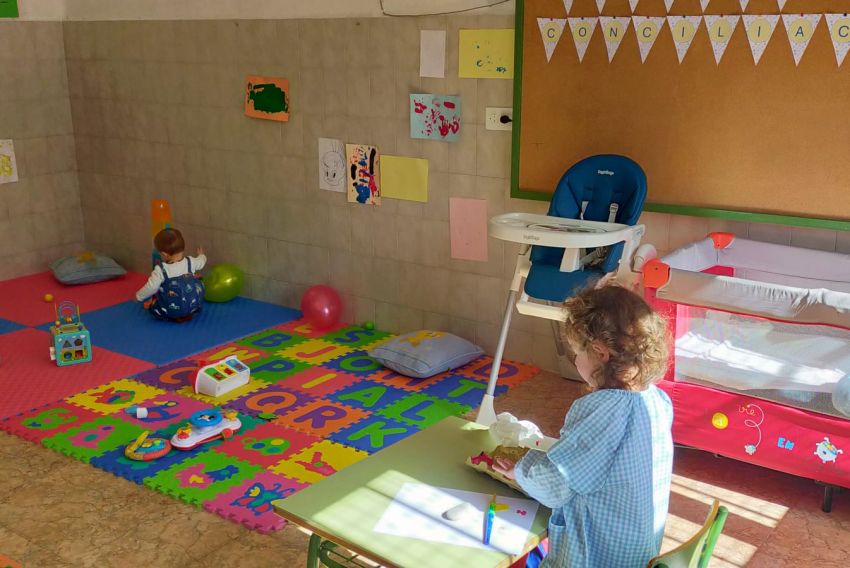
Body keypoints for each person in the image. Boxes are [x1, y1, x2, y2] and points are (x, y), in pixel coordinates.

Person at [496, 284, 673, 568]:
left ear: (600, 353)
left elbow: (555, 486)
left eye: (577, 352)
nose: (576, 360)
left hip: (599, 557)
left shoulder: (602, 410)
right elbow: (595, 459)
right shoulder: (657, 399)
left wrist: (520, 471)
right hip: (639, 551)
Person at [136, 228, 206, 322]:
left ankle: (158, 306)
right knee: (197, 279)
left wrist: (138, 296)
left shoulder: (160, 270)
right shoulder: (191, 261)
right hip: (193, 306)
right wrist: (201, 255)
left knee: (155, 300)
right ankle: (188, 311)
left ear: (164, 254)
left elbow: (151, 288)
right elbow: (202, 262)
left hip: (171, 311)